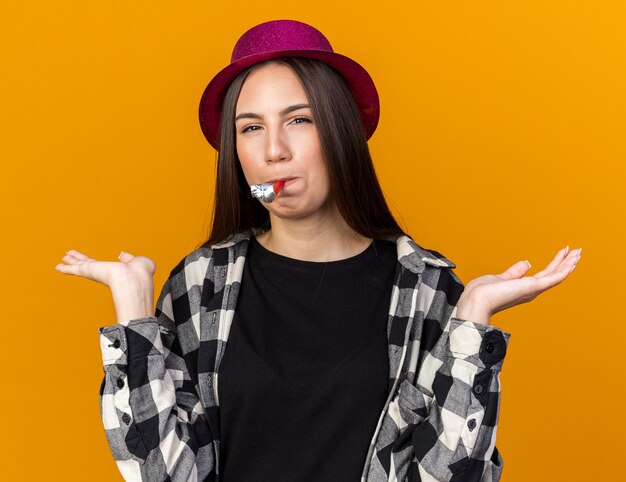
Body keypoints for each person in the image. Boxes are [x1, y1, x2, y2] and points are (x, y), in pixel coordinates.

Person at [55, 19, 581, 482]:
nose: (273, 150)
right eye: (250, 128)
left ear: (340, 132)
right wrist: (134, 318)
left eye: (298, 120)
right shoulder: (198, 283)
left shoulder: (426, 289)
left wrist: (472, 320)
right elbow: (165, 476)